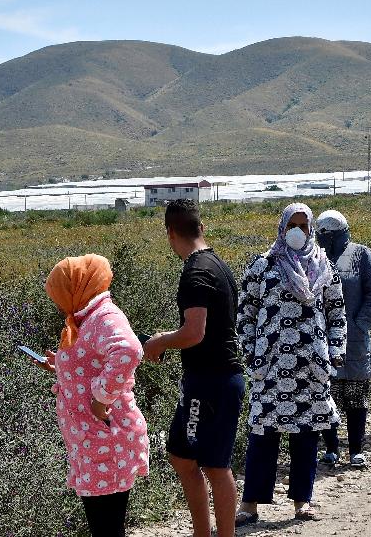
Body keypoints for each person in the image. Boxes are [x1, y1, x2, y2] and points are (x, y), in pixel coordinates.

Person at [236, 203, 346, 524]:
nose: (297, 231)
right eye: (291, 225)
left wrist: (336, 349)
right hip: (269, 367)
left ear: (311, 229)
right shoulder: (263, 267)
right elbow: (245, 312)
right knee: (263, 433)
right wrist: (250, 351)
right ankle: (250, 504)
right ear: (282, 227)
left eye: (303, 225)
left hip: (309, 368)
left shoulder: (325, 268)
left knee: (306, 433)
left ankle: (302, 501)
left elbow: (336, 312)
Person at [143, 199, 243, 537]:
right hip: (214, 380)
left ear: (171, 232)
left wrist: (159, 342)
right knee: (182, 455)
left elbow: (194, 332)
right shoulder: (217, 264)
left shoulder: (196, 271)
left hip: (211, 382)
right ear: (200, 226)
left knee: (215, 466)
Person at [34, 255, 150, 537]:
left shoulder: (104, 316)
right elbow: (93, 362)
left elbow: (129, 351)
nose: (58, 303)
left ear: (77, 288)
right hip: (92, 443)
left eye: (59, 294)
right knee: (104, 526)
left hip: (106, 442)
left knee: (106, 527)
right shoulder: (85, 319)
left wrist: (102, 399)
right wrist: (60, 365)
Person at [314, 210, 371, 468]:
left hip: (354, 338)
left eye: (333, 231)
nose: (328, 236)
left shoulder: (360, 254)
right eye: (324, 232)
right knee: (325, 394)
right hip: (320, 338)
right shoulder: (313, 255)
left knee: (355, 394)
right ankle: (331, 448)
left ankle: (356, 449)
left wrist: (360, 323)